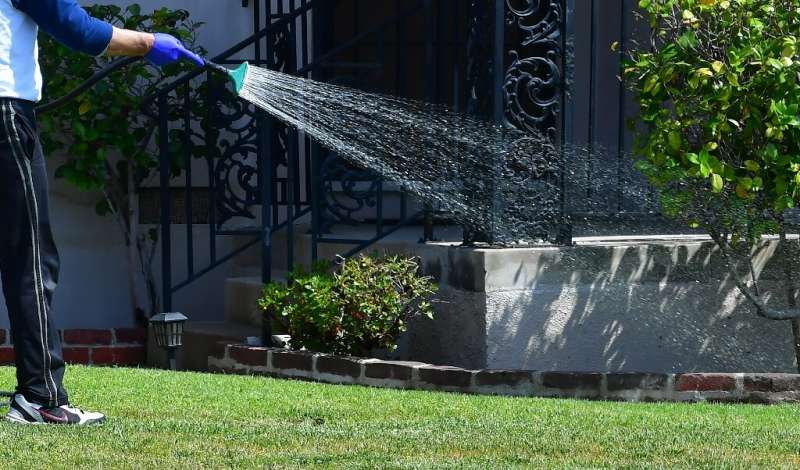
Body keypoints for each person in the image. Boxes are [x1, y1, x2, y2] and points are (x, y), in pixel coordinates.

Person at [0, 0, 203, 425]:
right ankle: (40, 396)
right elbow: (79, 30)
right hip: (5, 114)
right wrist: (149, 43)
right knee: (29, 259)